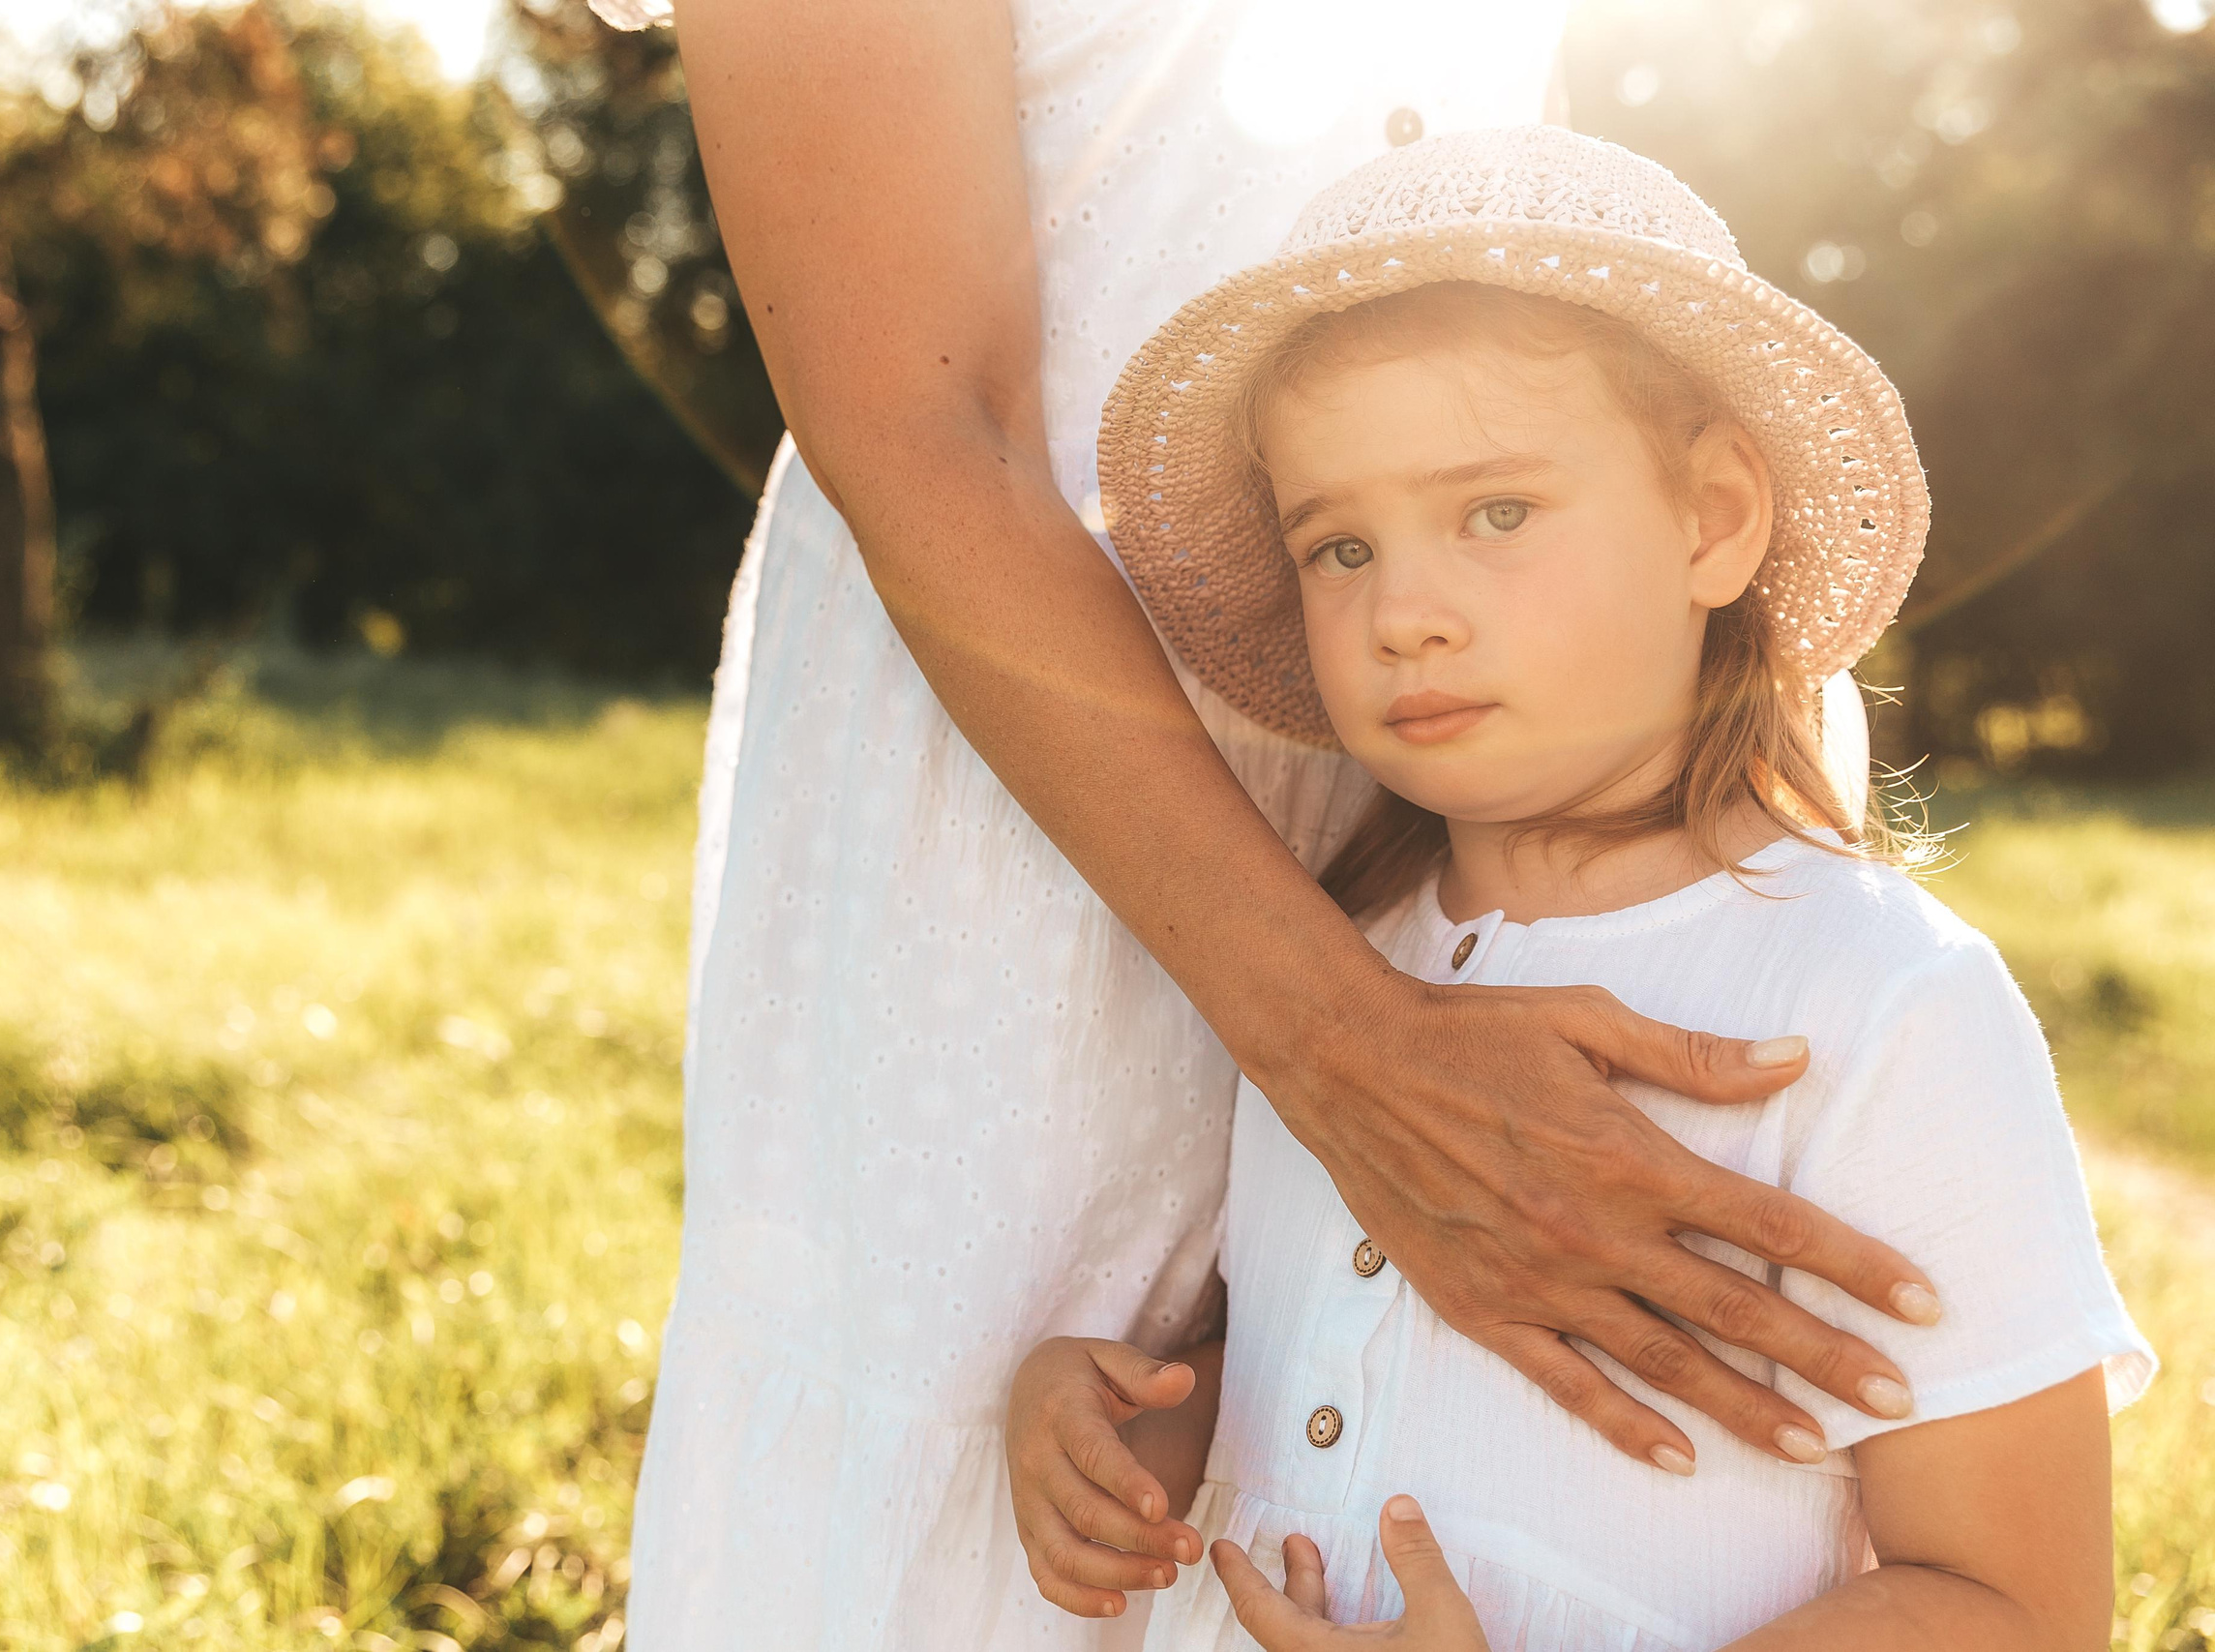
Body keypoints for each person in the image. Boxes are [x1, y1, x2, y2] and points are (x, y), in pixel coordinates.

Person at [593, 4, 1949, 1646]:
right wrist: (1342, 1043)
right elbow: (915, 405)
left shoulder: (1868, 1008)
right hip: (1014, 774)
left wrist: (1700, 790)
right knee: (963, 1423)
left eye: (1506, 510)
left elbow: (1527, 212)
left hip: (1427, 788)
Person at [1006, 125, 2157, 1649]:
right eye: (1339, 545)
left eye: (1495, 512)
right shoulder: (1332, 968)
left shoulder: (1877, 1005)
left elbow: (2022, 1608)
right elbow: (1336, 1366)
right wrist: (1129, 1429)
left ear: (1714, 520)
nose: (1404, 612)